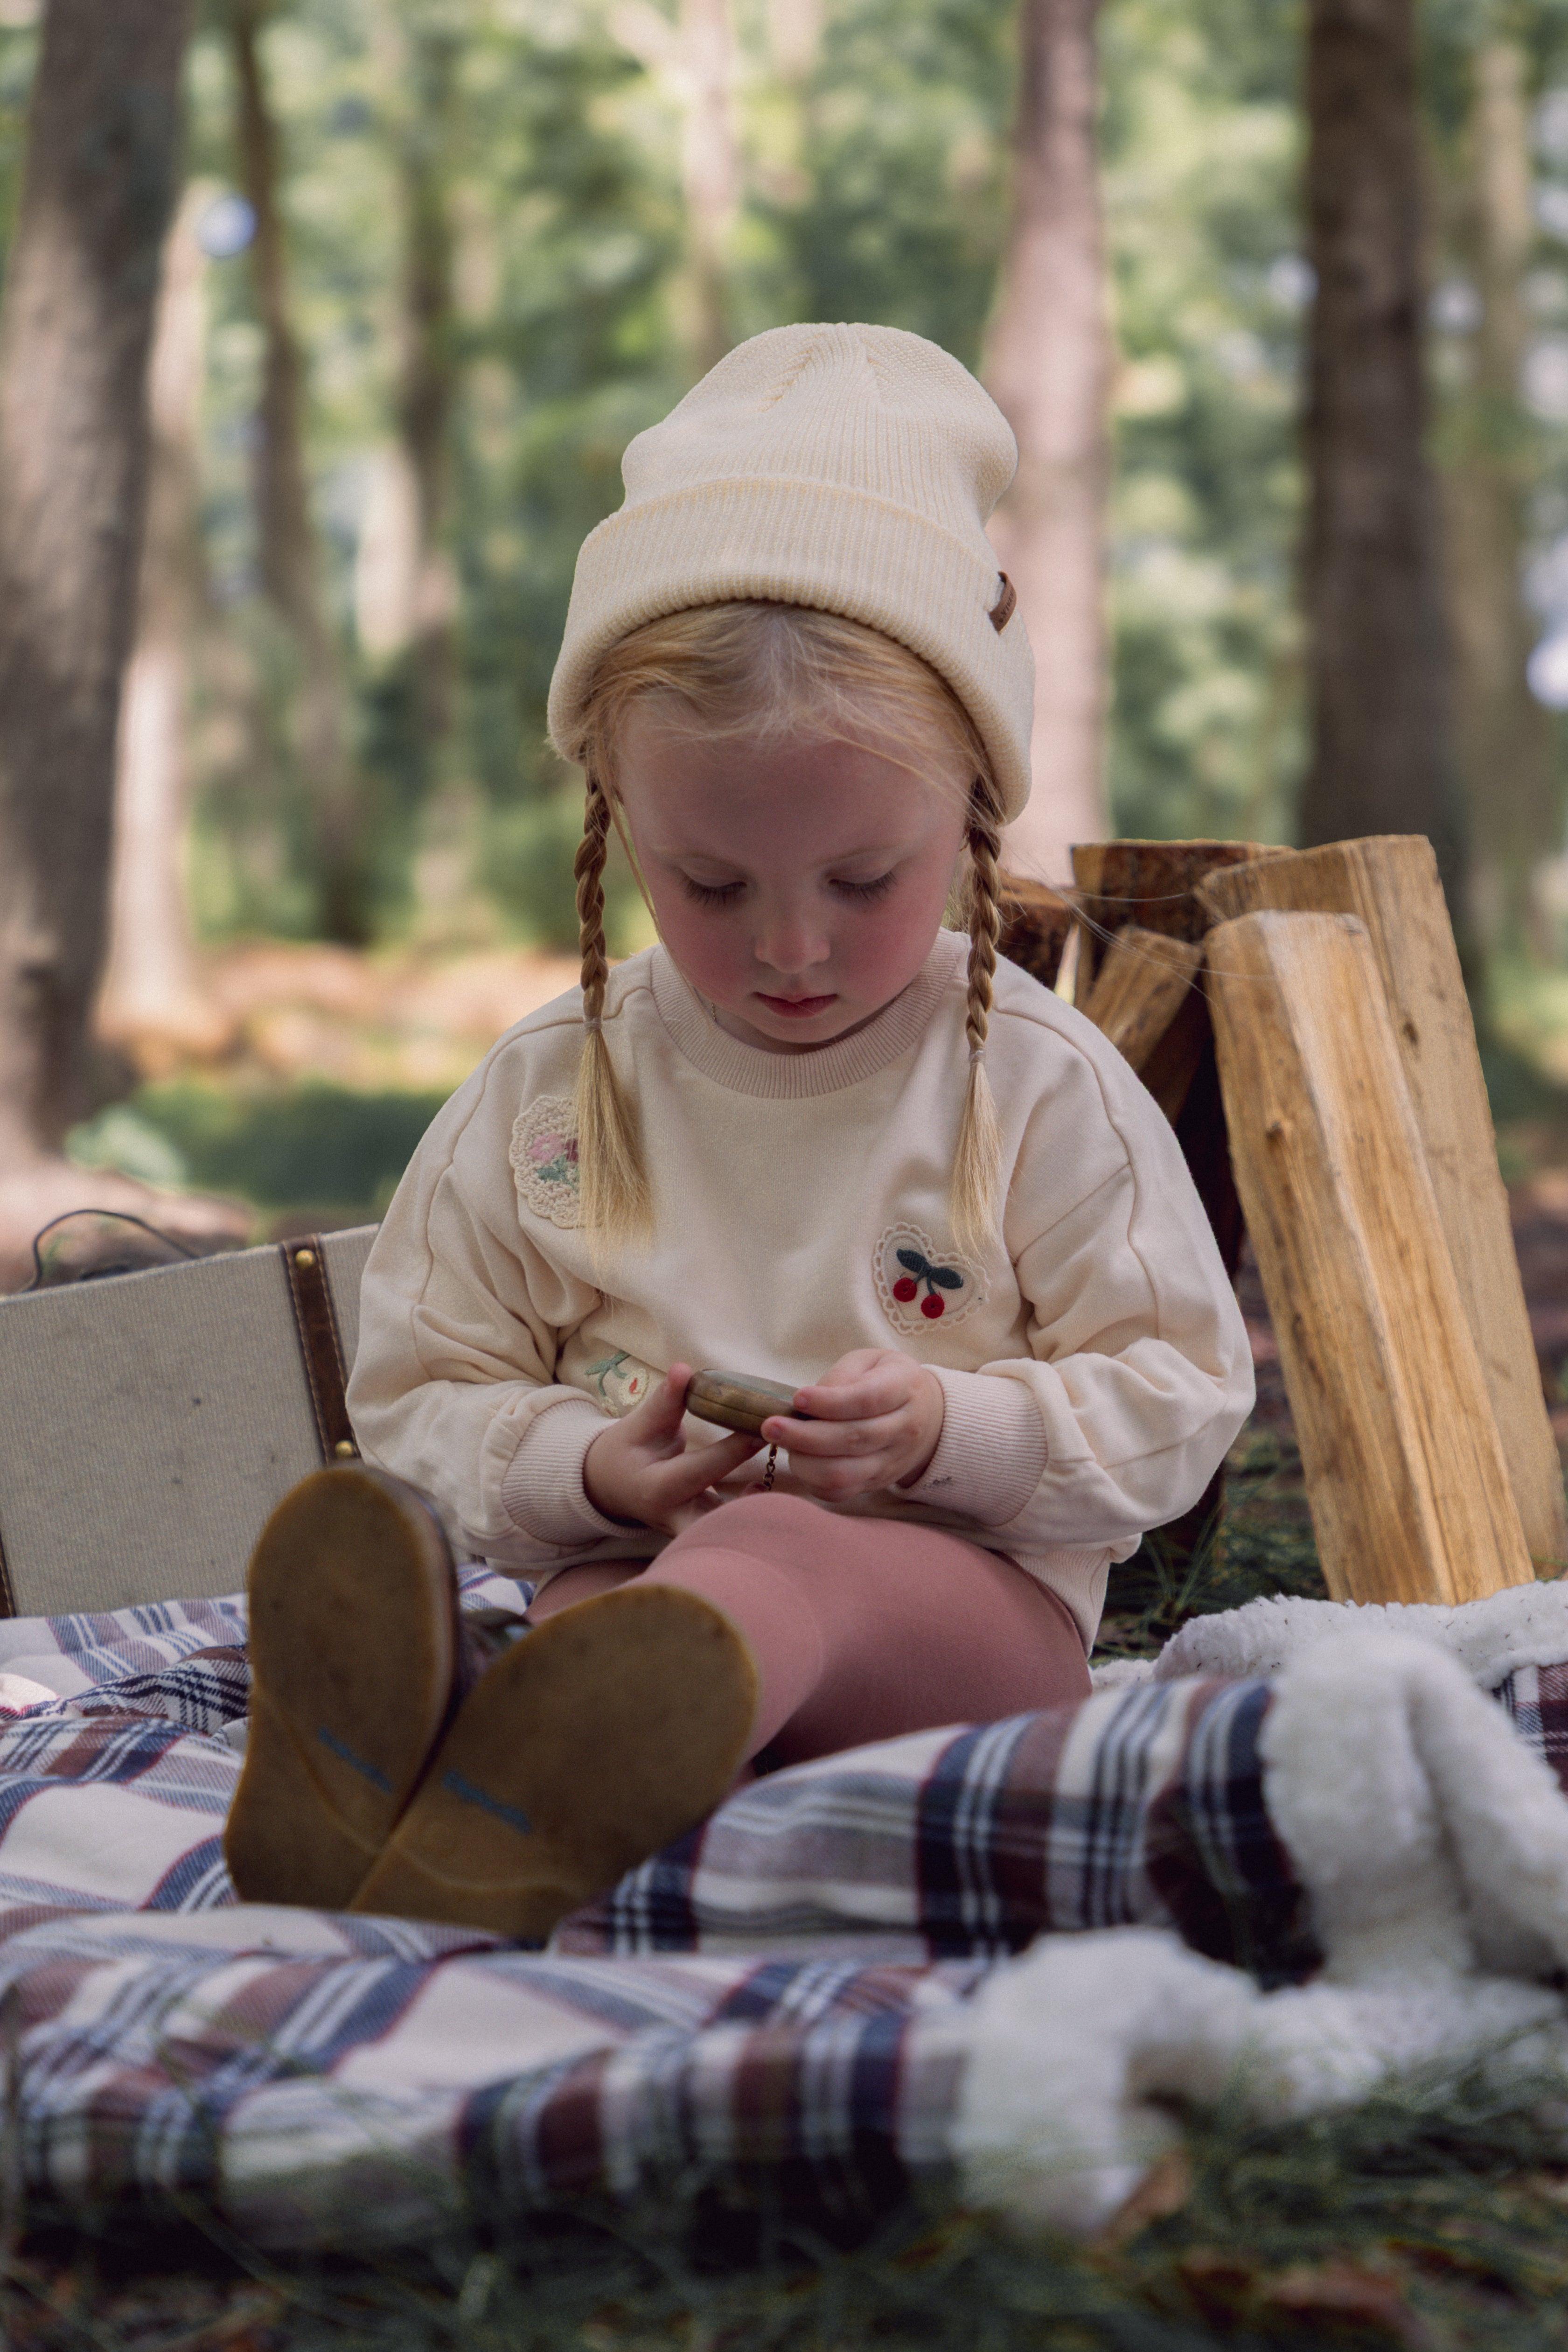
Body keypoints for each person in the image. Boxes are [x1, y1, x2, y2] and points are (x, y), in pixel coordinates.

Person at [224, 323, 1254, 1938]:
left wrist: (948, 1430)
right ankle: (447, 1797)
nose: (789, 947)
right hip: (631, 1583)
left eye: (862, 879)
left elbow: (1181, 1392)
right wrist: (590, 1469)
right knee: (602, 1603)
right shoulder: (556, 1091)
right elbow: (420, 1388)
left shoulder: (1033, 1085)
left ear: (971, 814)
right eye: (707, 883)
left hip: (959, 1630)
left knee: (776, 1549)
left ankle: (506, 1757)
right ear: (616, 818)